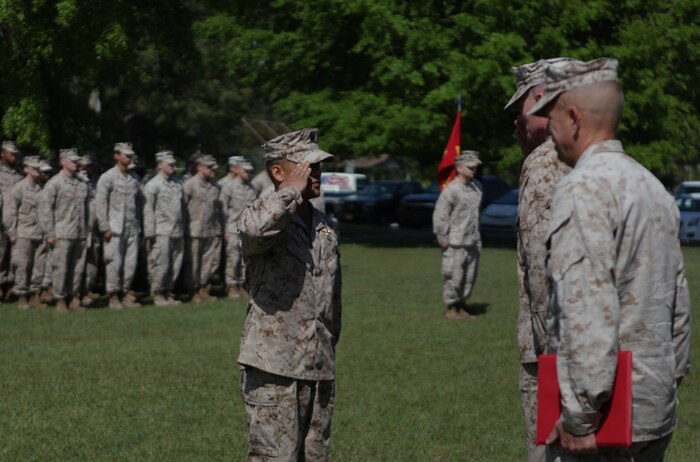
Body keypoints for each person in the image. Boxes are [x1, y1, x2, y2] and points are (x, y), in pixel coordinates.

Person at [528, 58, 691, 460]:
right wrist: (667, 382)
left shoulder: (583, 188)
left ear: (573, 117)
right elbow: (679, 307)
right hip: (652, 404)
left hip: (603, 421)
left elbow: (588, 309)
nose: (549, 130)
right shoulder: (651, 185)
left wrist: (581, 415)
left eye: (551, 118)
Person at [238, 128, 342, 461]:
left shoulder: (325, 225)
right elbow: (255, 230)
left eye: (318, 165)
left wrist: (327, 344)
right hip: (274, 369)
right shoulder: (263, 217)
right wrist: (289, 193)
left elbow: (332, 299)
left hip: (317, 365)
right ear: (278, 172)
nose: (316, 172)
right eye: (306, 166)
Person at [505, 57, 572, 462]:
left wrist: (556, 369)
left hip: (553, 355)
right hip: (598, 353)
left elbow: (545, 275)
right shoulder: (588, 155)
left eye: (520, 110)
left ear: (541, 100)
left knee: (550, 454)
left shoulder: (544, 164)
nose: (516, 122)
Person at [432, 151, 483, 321]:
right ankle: (452, 308)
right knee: (454, 276)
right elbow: (441, 216)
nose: (474, 170)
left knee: (469, 276)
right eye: (470, 167)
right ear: (459, 168)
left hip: (472, 239)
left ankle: (462, 305)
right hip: (455, 241)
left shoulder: (477, 188)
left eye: (476, 167)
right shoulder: (451, 191)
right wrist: (443, 239)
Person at [39, 148, 90, 312]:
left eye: (77, 161)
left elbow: (88, 208)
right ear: (63, 162)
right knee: (60, 268)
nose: (76, 163)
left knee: (77, 268)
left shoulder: (83, 183)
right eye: (73, 161)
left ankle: (73, 298)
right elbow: (45, 210)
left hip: (80, 233)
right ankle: (60, 300)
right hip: (62, 233)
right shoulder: (54, 183)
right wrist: (50, 233)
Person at [95, 142, 143, 309]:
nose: (129, 158)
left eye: (130, 156)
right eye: (126, 155)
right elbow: (100, 203)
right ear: (116, 156)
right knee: (114, 262)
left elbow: (138, 204)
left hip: (131, 227)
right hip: (115, 228)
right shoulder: (107, 177)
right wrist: (104, 226)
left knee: (130, 264)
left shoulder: (134, 179)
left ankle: (125, 293)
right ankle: (113, 296)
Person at [3, 156, 49, 309]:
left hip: (39, 233)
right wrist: (12, 232)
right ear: (26, 169)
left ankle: (35, 295)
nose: (37, 170)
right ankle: (22, 296)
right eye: (34, 168)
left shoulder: (41, 189)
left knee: (39, 266)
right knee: (23, 265)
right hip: (23, 233)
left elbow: (45, 212)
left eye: (38, 168)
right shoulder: (19, 188)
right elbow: (10, 211)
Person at [143, 151, 185, 306]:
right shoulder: (153, 185)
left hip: (177, 230)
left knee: (175, 264)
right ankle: (157, 293)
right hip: (161, 231)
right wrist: (150, 232)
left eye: (174, 164)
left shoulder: (177, 183)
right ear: (160, 165)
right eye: (170, 164)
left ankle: (169, 291)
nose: (174, 167)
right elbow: (148, 210)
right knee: (161, 263)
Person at [183, 154, 223, 302]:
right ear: (199, 167)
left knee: (209, 262)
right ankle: (193, 291)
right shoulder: (189, 185)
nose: (213, 170)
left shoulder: (215, 187)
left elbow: (217, 210)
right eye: (210, 167)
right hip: (194, 230)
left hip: (211, 230)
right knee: (193, 262)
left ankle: (203, 288)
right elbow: (183, 210)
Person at [220, 155, 256, 299]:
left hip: (246, 229)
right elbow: (222, 210)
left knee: (245, 259)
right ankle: (231, 286)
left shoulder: (251, 188)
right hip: (232, 228)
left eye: (250, 171)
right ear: (238, 170)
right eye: (246, 171)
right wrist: (224, 229)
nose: (248, 174)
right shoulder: (228, 187)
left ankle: (243, 284)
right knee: (232, 258)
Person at [77, 155, 102, 305]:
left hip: (95, 228)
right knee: (80, 262)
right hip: (80, 229)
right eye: (85, 166)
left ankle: (87, 289)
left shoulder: (97, 181)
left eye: (91, 166)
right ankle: (78, 292)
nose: (88, 169)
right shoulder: (78, 183)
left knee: (93, 261)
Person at [0, 141, 23, 300]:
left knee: (13, 255)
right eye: (11, 153)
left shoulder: (18, 173)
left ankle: (9, 285)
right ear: (2, 154)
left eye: (15, 154)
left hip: (16, 220)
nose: (14, 157)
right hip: (1, 220)